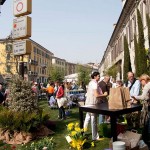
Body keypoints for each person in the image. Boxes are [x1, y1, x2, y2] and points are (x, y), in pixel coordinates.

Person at [83, 72, 107, 141]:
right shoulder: (94, 84)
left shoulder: (91, 83)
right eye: (98, 76)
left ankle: (83, 132)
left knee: (87, 117)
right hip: (92, 103)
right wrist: (104, 95)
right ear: (95, 77)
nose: (99, 77)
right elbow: (96, 95)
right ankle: (95, 137)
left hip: (89, 102)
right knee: (93, 120)